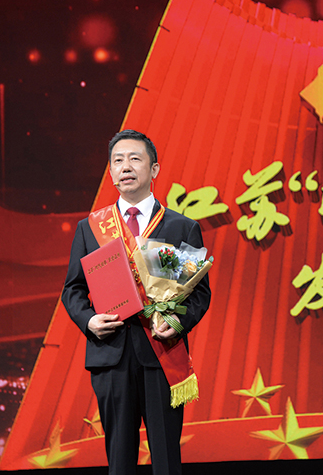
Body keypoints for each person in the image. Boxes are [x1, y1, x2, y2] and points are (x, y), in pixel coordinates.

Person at [62, 130, 211, 475]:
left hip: (161, 353)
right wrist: (89, 320)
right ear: (111, 172)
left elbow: (199, 293)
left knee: (166, 459)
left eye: (134, 159)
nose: (125, 167)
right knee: (119, 460)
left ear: (154, 169)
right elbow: (73, 289)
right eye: (118, 161)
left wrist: (177, 322)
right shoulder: (90, 228)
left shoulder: (181, 227)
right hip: (111, 355)